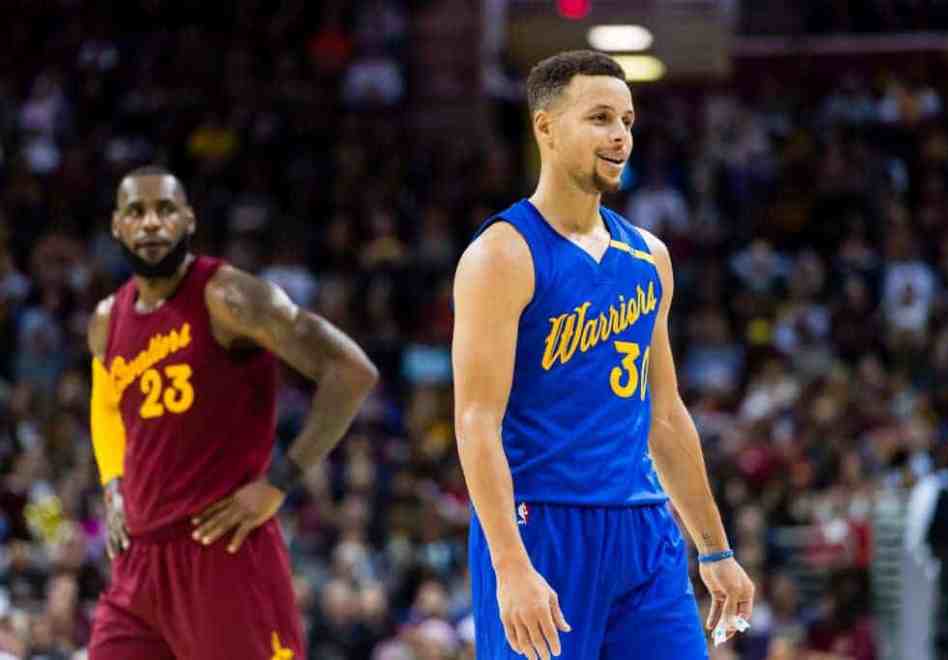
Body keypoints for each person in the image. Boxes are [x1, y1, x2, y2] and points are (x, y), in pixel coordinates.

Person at [452, 51, 755, 660]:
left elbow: (664, 415)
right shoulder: (502, 255)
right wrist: (511, 566)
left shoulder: (650, 256)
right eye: (599, 118)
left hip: (643, 530)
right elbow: (475, 419)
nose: (620, 135)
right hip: (544, 528)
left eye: (627, 119)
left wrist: (715, 550)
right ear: (545, 126)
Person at [86, 165, 378, 660]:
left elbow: (351, 371)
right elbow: (107, 407)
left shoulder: (230, 297)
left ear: (189, 220)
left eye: (166, 210)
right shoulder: (106, 320)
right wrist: (114, 486)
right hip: (139, 565)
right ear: (117, 226)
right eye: (136, 212)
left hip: (223, 552)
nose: (152, 223)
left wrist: (280, 482)